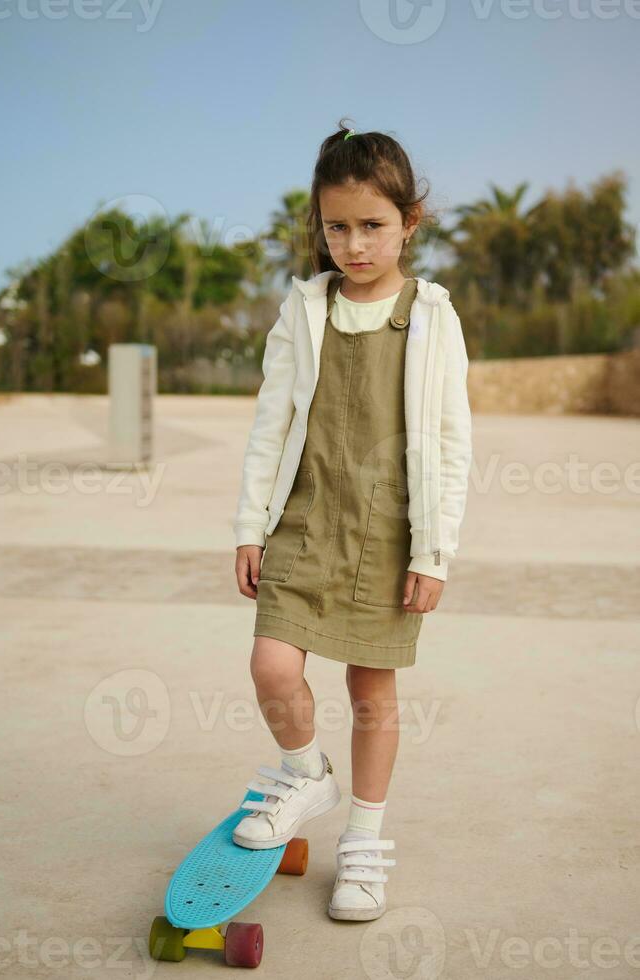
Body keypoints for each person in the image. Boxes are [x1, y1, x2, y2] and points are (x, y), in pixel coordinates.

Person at [232, 121, 472, 921]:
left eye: (373, 225)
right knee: (272, 666)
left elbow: (448, 442)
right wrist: (247, 526)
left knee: (372, 691)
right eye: (337, 226)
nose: (354, 244)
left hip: (390, 533)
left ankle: (364, 844)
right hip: (302, 522)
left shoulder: (432, 316)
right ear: (319, 225)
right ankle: (306, 777)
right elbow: (271, 422)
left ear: (410, 219)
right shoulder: (302, 310)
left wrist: (434, 553)